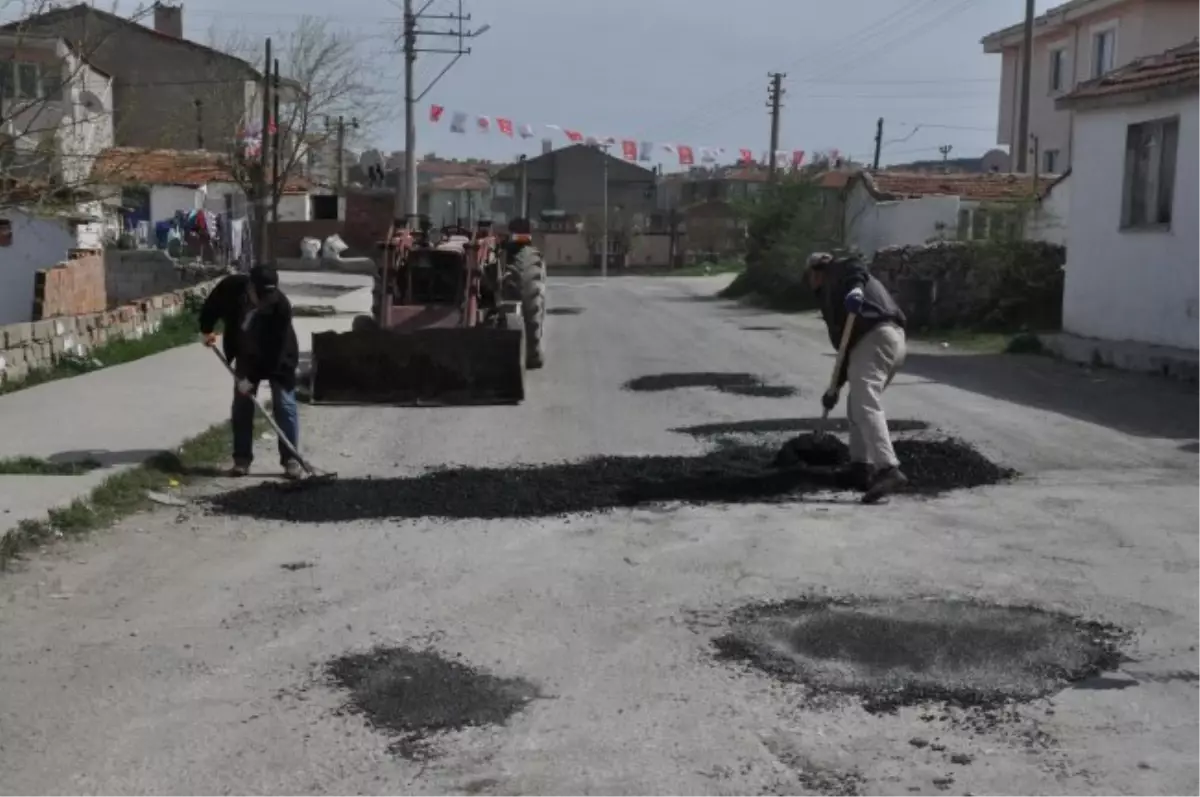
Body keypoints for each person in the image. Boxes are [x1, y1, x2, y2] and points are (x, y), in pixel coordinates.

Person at [807, 251, 908, 504]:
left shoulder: (839, 272)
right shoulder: (835, 295)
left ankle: (887, 468)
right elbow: (845, 350)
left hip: (875, 336)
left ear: (815, 273)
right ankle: (860, 467)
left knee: (865, 402)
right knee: (857, 404)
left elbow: (854, 266)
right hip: (887, 341)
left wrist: (855, 290)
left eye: (810, 276)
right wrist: (835, 388)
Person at [199, 265, 302, 479]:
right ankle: (242, 460)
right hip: (246, 355)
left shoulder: (281, 306)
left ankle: (291, 459)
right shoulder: (232, 287)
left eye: (269, 295)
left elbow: (276, 351)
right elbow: (212, 306)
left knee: (285, 405)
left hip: (279, 359)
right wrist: (206, 329)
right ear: (250, 287)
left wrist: (252, 380)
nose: (266, 300)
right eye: (261, 295)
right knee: (242, 405)